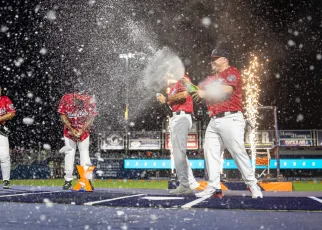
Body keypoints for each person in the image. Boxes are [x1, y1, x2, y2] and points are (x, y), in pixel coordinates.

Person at [183, 48, 263, 198]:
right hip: (214, 119)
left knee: (237, 152)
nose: (212, 61)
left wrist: (204, 93)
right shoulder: (211, 78)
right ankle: (214, 187)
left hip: (231, 118)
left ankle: (252, 185)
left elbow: (226, 90)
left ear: (224, 59)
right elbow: (197, 92)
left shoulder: (232, 72)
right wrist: (188, 84)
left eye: (216, 58)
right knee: (210, 151)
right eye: (211, 58)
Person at [157, 75, 200, 194]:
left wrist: (167, 98)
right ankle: (189, 182)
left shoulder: (182, 79)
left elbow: (185, 94)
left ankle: (185, 185)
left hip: (182, 116)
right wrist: (165, 101)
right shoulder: (172, 89)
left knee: (179, 152)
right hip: (175, 117)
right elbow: (172, 104)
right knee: (179, 152)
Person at [58, 83, 98, 190]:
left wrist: (82, 129)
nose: (81, 100)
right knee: (69, 153)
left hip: (83, 131)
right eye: (79, 98)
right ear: (74, 94)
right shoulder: (66, 98)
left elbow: (91, 117)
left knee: (85, 154)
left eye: (83, 98)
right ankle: (68, 180)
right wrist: (72, 129)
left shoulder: (90, 99)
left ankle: (86, 180)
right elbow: (62, 115)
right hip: (69, 131)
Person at [0, 86, 16, 189]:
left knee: (5, 156)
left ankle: (6, 180)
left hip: (1, 129)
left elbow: (12, 113)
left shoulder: (5, 99)